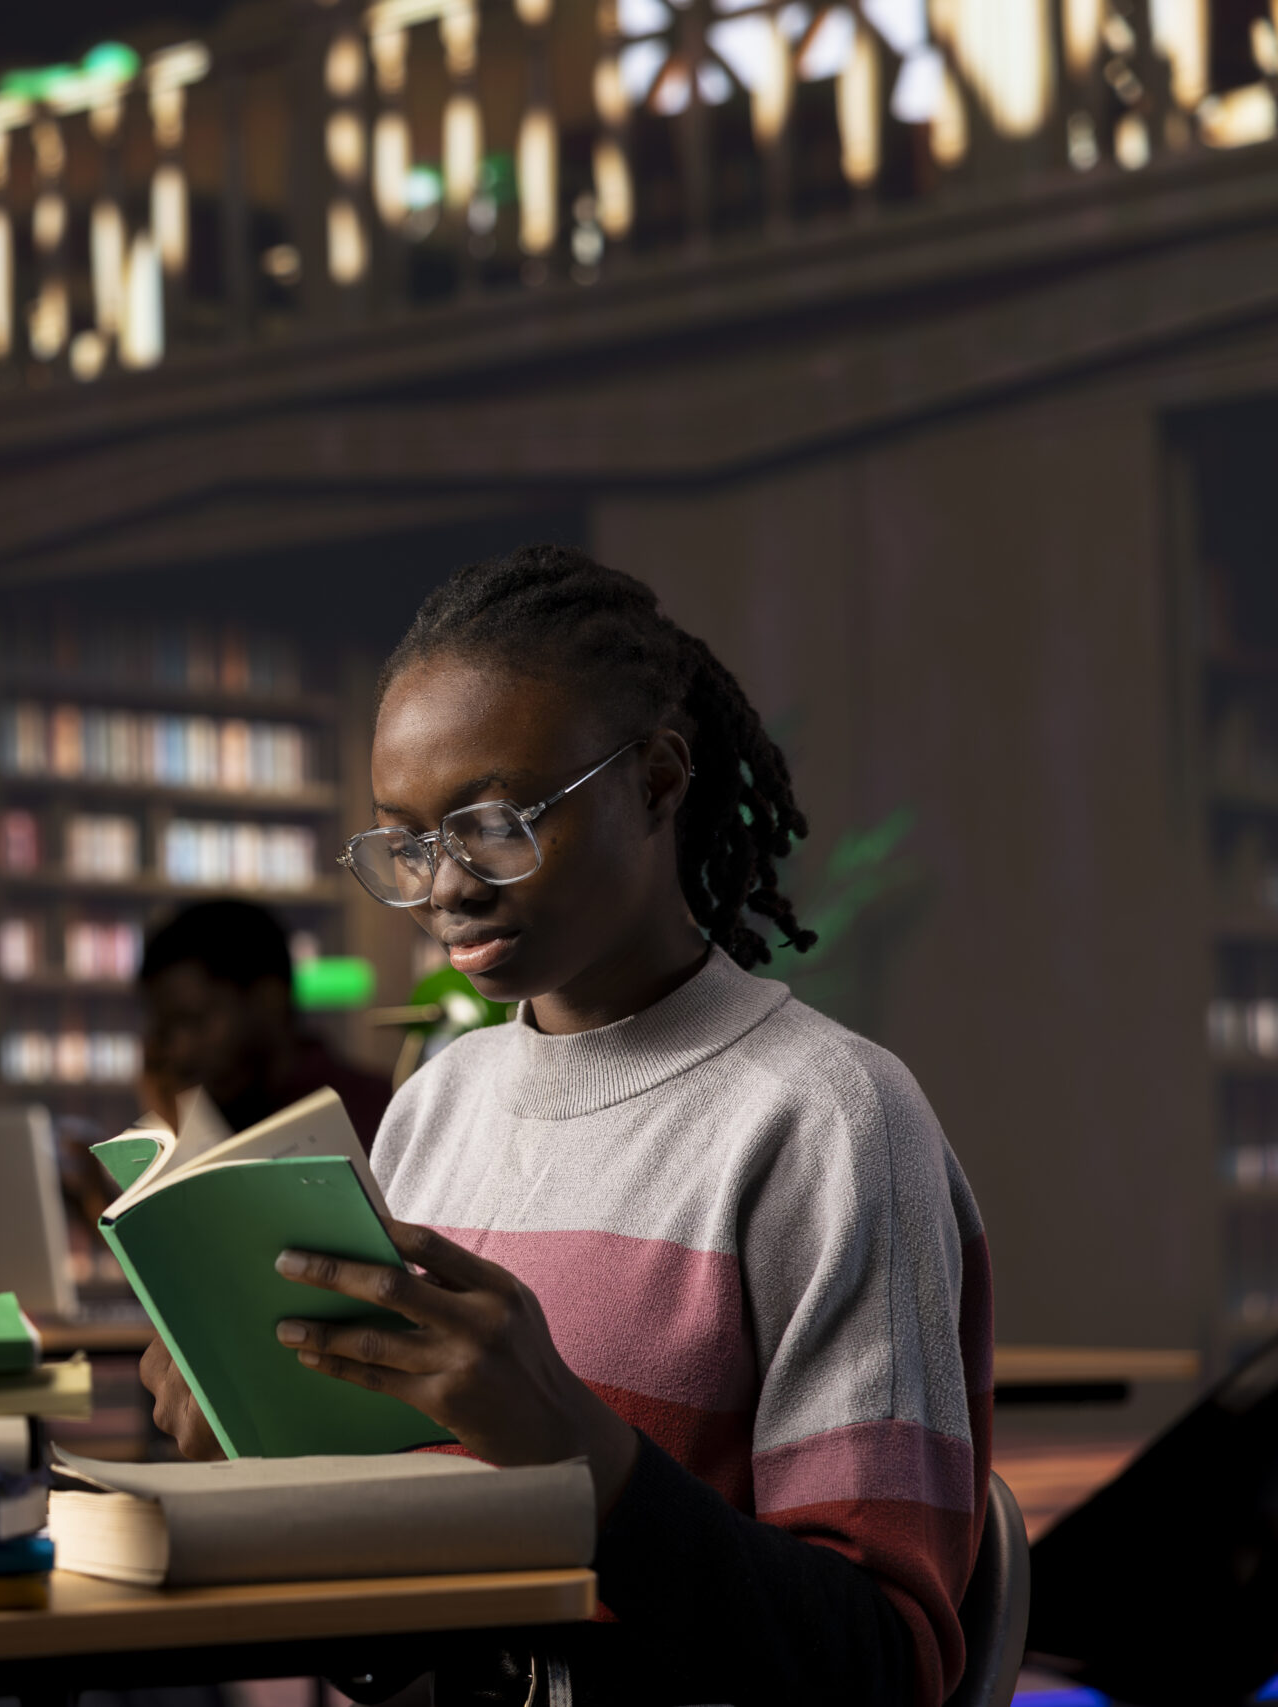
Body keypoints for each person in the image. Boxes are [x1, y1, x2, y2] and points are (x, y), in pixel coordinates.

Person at [139, 548, 991, 1707]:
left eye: (494, 824)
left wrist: (577, 1455)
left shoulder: (829, 1119)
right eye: (406, 838)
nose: (444, 886)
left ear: (655, 779)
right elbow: (407, 1654)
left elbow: (881, 1668)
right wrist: (272, 1475)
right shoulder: (436, 1104)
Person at [138, 898, 395, 1148]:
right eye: (165, 1031)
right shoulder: (199, 1110)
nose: (178, 1050)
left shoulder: (376, 1115)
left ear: (269, 997)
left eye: (195, 1021)